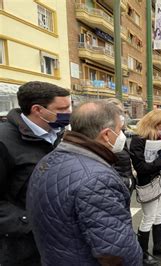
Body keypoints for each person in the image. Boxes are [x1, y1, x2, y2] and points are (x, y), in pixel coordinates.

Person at [26, 100, 141, 265]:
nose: (122, 135)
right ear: (107, 135)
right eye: (119, 130)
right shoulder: (98, 180)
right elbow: (117, 252)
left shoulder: (49, 159)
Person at [0, 81, 71, 265]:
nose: (68, 113)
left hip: (57, 241)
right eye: (62, 109)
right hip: (21, 247)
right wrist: (30, 224)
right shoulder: (4, 142)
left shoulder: (58, 135)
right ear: (38, 109)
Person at [129, 109, 161, 265]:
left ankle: (158, 246)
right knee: (148, 218)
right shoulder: (138, 140)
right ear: (154, 124)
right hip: (148, 184)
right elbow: (141, 168)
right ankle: (142, 253)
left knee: (159, 216)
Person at [105, 98, 135, 193]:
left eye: (121, 112)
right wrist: (127, 182)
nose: (120, 116)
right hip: (116, 188)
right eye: (115, 112)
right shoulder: (105, 135)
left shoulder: (121, 134)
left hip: (125, 185)